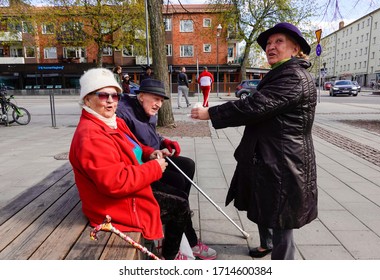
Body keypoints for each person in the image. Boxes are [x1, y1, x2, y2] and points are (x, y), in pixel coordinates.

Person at [191, 22, 318, 260]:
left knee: (282, 220)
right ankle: (266, 243)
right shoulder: (280, 73)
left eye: (278, 41)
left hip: (284, 162)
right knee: (266, 205)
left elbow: (256, 106)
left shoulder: (294, 77)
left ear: (295, 48)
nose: (271, 47)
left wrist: (211, 113)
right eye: (269, 43)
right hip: (270, 157)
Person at [69, 68, 191, 260]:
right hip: (112, 204)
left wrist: (151, 153)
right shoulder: (91, 135)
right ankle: (169, 257)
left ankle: (172, 246)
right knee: (180, 206)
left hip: (129, 184)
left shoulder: (111, 121)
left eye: (115, 95)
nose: (110, 100)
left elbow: (135, 144)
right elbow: (114, 183)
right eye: (103, 95)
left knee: (180, 192)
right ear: (87, 99)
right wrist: (154, 168)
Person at [116, 78, 217, 260]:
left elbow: (152, 133)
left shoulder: (150, 110)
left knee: (188, 165)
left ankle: (177, 222)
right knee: (179, 188)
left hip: (155, 156)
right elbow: (131, 146)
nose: (159, 104)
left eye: (162, 100)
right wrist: (151, 154)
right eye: (155, 98)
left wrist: (163, 141)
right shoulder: (124, 114)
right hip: (141, 164)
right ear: (141, 96)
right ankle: (183, 232)